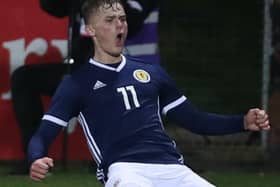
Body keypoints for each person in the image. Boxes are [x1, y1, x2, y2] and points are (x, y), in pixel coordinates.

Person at [28, 0, 270, 186]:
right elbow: (43, 135)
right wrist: (36, 158)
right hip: (125, 169)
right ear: (90, 30)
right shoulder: (76, 83)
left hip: (172, 167)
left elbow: (195, 120)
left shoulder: (152, 73)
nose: (119, 25)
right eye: (110, 20)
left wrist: (242, 122)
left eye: (122, 18)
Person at [10, 0, 159, 174]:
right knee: (25, 78)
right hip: (81, 69)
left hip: (123, 71)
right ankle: (36, 159)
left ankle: (115, 158)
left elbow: (133, 22)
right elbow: (52, 6)